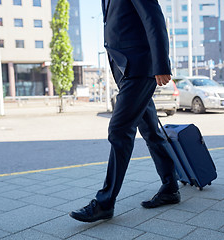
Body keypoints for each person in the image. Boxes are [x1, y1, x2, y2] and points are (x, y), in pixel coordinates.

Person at [69, 0, 180, 223]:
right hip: (125, 67)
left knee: (119, 130)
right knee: (150, 130)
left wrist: (161, 64)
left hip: (141, 67)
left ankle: (104, 203)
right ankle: (170, 187)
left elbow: (154, 18)